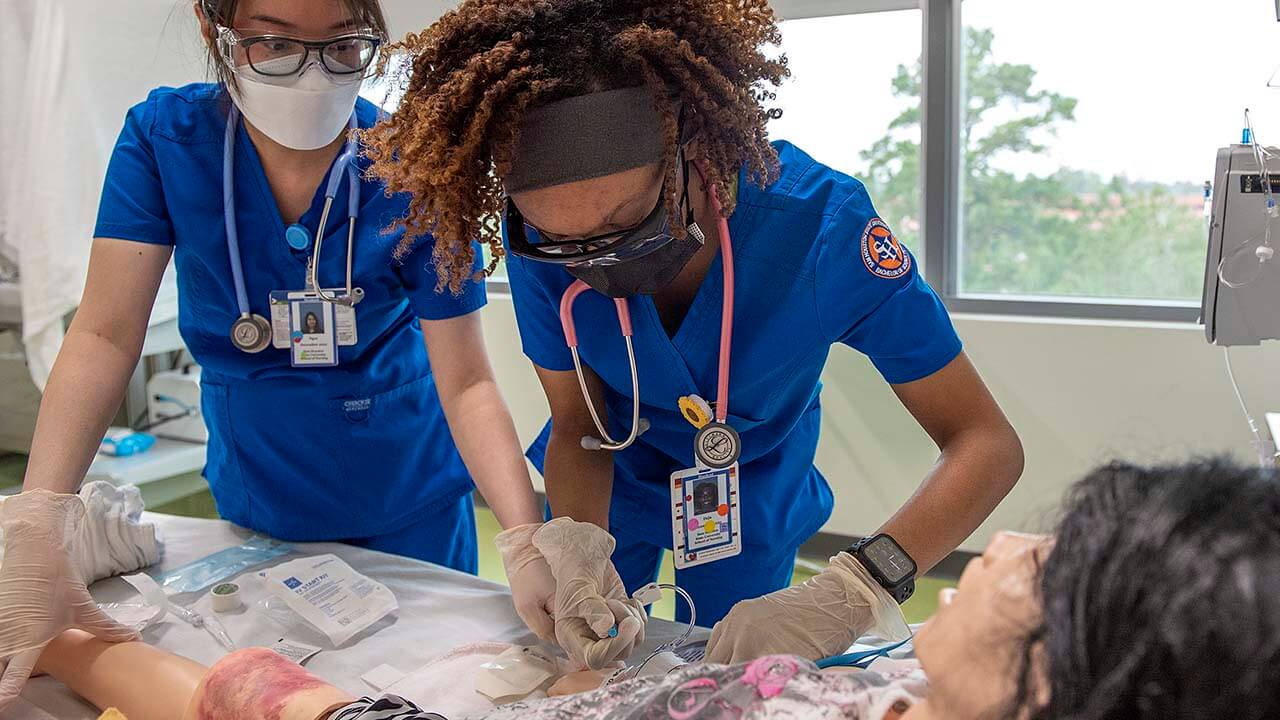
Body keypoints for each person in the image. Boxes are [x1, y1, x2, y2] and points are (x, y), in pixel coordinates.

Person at [361, 0, 1024, 665]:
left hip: (749, 483)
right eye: (568, 241)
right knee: (599, 664)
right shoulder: (545, 249)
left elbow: (985, 442)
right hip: (616, 474)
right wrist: (578, 553)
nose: (597, 261)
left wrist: (860, 584)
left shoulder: (822, 230)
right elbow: (578, 426)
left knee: (735, 667)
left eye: (625, 218)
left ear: (694, 146)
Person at [0, 0, 555, 706]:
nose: (312, 74)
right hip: (260, 488)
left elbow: (470, 381)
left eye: (344, 46)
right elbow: (105, 335)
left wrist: (525, 534)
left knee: (423, 689)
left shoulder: (417, 169)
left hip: (403, 493)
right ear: (216, 30)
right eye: (274, 43)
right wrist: (40, 514)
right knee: (262, 688)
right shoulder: (166, 140)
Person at [26, 458, 1280, 719]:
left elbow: (308, 715)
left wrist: (80, 645)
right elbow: (565, 426)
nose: (1001, 547)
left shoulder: (819, 223)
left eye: (1044, 568)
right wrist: (559, 557)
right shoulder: (919, 687)